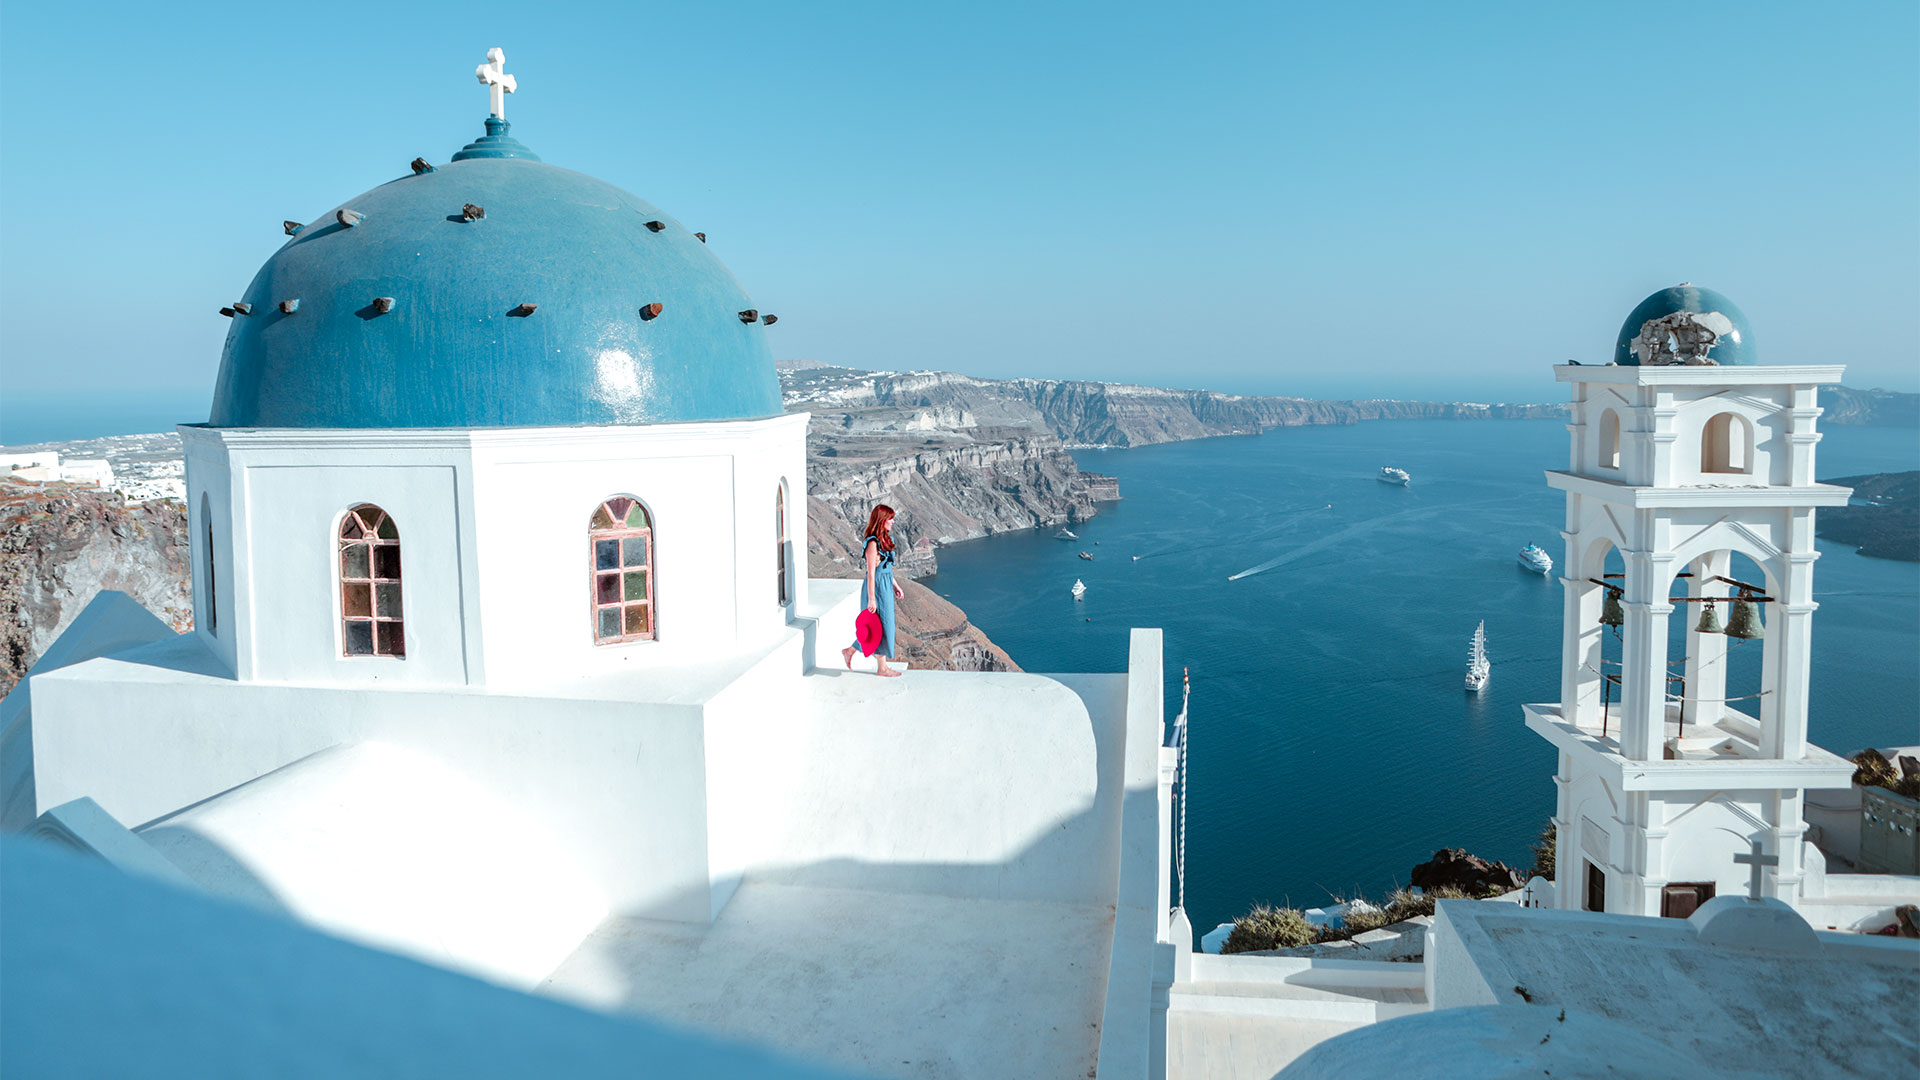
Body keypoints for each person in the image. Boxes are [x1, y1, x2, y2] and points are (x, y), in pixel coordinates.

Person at [842, 504, 905, 677]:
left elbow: (886, 569)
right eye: (889, 518)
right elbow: (871, 574)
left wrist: (895, 585)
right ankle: (882, 668)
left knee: (885, 625)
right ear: (881, 520)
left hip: (885, 586)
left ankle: (851, 651)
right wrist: (871, 599)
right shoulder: (872, 544)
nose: (892, 521)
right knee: (879, 626)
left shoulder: (884, 539)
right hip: (876, 589)